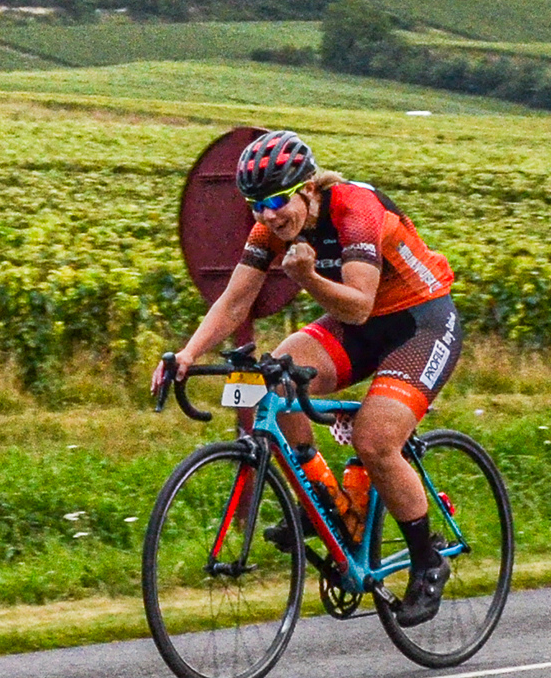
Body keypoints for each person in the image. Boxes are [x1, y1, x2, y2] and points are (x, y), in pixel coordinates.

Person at [151, 128, 461, 627]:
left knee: (376, 438)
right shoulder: (269, 230)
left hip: (419, 322)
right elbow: (235, 301)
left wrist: (309, 279)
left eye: (276, 199)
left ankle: (428, 562)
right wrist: (186, 354)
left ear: (308, 189)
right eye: (255, 205)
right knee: (279, 377)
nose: (268, 214)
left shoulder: (354, 209)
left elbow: (359, 307)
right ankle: (327, 504)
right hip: (358, 325)